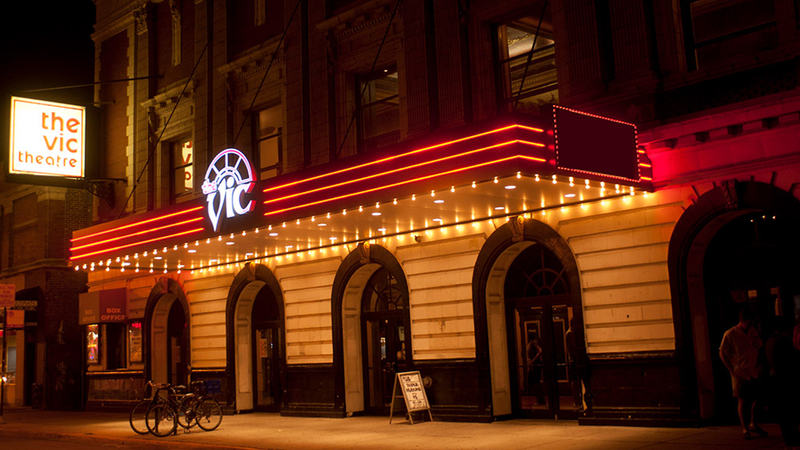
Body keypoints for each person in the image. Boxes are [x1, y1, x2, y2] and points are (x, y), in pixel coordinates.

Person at [719, 307, 767, 440]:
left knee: (758, 397)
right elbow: (722, 352)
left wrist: (759, 364)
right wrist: (731, 369)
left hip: (753, 370)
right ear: (742, 321)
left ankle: (753, 422)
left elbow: (758, 347)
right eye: (749, 322)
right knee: (742, 399)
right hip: (739, 370)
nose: (751, 324)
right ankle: (745, 427)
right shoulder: (730, 334)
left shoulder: (753, 331)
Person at [765, 326, 800, 450]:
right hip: (786, 382)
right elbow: (795, 357)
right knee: (791, 416)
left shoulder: (770, 342)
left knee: (785, 417)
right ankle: (793, 443)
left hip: (777, 381)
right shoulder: (782, 343)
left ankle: (789, 443)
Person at [526, 331, 545, 406]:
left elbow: (540, 351)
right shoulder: (532, 342)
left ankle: (540, 399)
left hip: (535, 364)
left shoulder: (534, 343)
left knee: (535, 382)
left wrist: (533, 360)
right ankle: (539, 398)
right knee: (532, 382)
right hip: (533, 364)